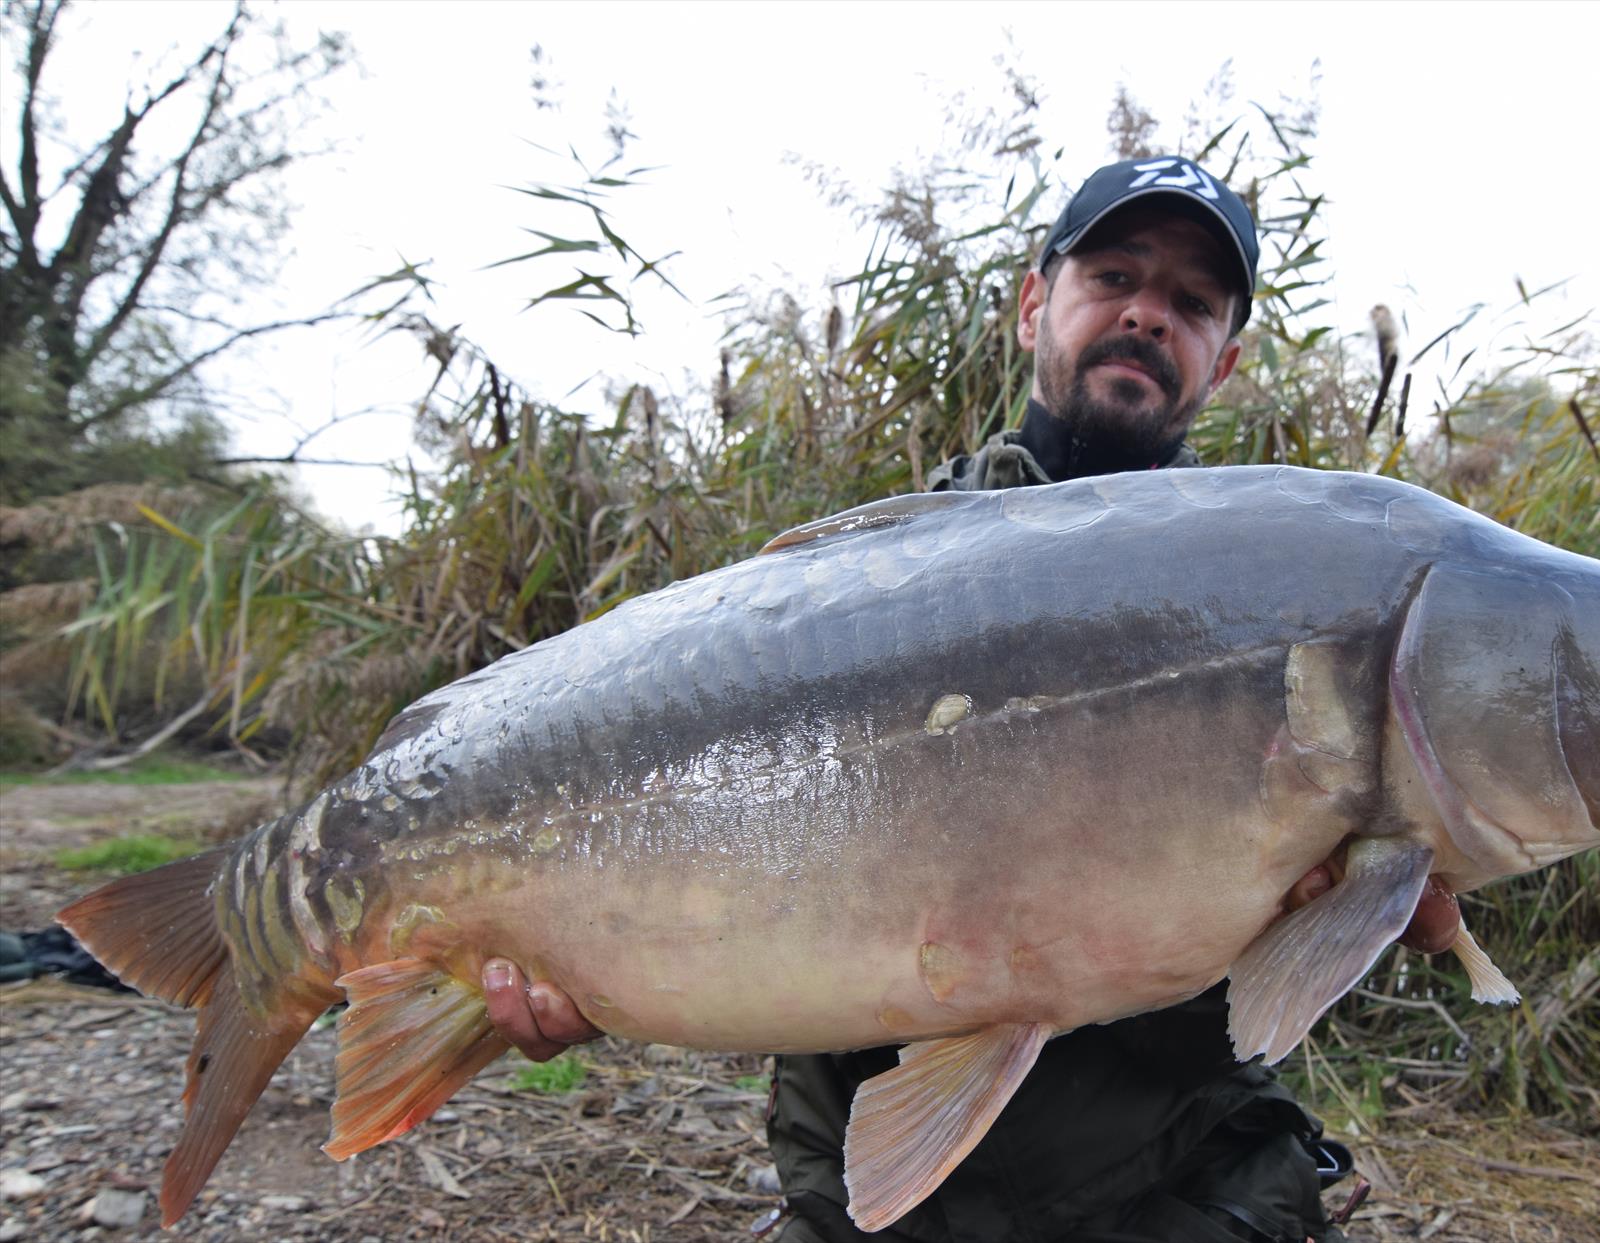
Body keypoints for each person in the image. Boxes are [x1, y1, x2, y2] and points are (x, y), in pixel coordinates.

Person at [484, 157, 1368, 1242]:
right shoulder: (868, 592)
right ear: (1036, 303)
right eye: (1115, 275)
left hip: (1167, 1172)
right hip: (876, 1174)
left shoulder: (1287, 596)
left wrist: (1365, 898)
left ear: (1223, 363)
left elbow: (1283, 974)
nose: (1147, 313)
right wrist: (590, 958)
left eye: (1191, 305)